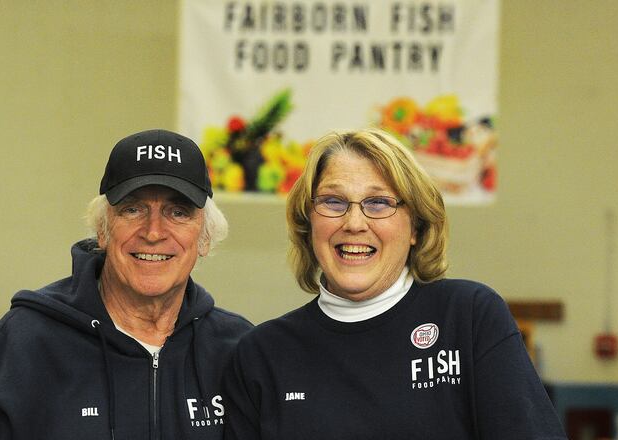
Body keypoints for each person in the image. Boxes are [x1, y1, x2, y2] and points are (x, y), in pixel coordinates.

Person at [221, 128, 567, 439]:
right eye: (333, 201)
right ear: (307, 222)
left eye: (378, 203)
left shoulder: (469, 317)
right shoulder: (262, 354)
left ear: (415, 227)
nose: (354, 222)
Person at [0, 129, 252, 439]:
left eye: (178, 212)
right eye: (133, 209)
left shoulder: (238, 350)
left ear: (205, 237)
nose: (153, 232)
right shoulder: (27, 339)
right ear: (102, 231)